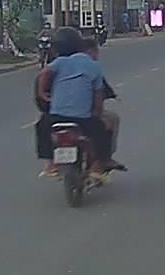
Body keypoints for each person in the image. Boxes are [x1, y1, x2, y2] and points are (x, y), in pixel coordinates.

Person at [36, 28, 119, 179]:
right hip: (82, 119)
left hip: (55, 117)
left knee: (41, 127)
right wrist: (97, 114)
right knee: (102, 131)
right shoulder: (93, 66)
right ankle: (98, 166)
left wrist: (42, 92)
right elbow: (98, 96)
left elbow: (44, 73)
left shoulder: (59, 63)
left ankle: (50, 163)